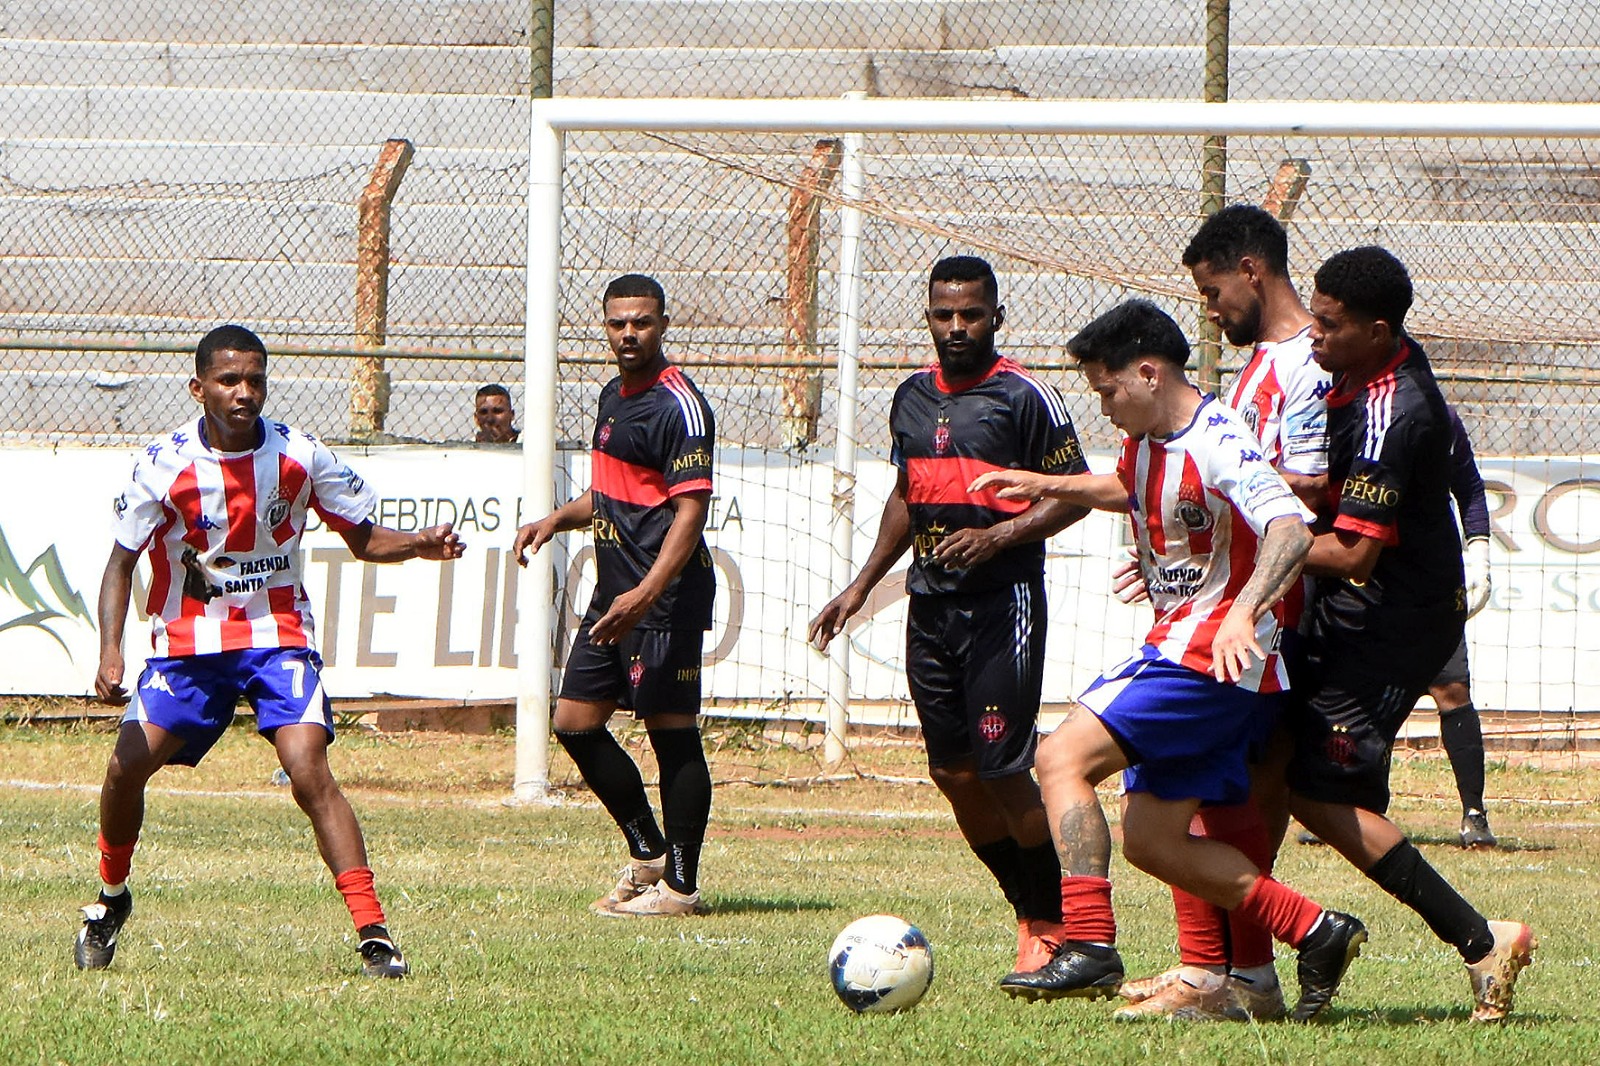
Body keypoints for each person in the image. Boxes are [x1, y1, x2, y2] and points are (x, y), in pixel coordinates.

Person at [970, 300, 1366, 1023]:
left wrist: (1242, 610)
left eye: (1108, 390)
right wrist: (1046, 484)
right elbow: (1124, 487)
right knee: (1155, 841)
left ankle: (1089, 941)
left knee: (1059, 758)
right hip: (1193, 649)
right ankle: (1310, 935)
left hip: (1206, 655)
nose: (1104, 406)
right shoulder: (1151, 436)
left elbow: (1288, 528)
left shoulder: (1219, 439)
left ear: (1149, 374)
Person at [80, 324, 464, 978]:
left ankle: (374, 933)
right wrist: (109, 652)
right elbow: (120, 564)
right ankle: (111, 898)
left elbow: (364, 538)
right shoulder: (163, 464)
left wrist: (417, 545)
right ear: (199, 388)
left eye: (255, 380)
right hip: (188, 645)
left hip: (276, 634)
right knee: (125, 767)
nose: (244, 392)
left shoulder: (300, 455)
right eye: (229, 380)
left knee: (307, 767)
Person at [808, 255, 1093, 989]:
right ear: (928, 317)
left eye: (971, 314)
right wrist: (860, 586)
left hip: (1004, 604)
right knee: (952, 772)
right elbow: (907, 494)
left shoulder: (1025, 395)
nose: (957, 326)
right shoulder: (910, 396)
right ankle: (1029, 909)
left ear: (997, 316)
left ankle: (1052, 926)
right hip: (931, 606)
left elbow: (1074, 493)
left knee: (1004, 770)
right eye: (944, 314)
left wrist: (1000, 537)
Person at [1286, 246, 1533, 1022]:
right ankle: (1235, 964)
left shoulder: (1396, 412)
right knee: (1274, 762)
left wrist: (1250, 534)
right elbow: (1343, 492)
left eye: (1329, 325)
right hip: (1368, 611)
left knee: (1319, 795)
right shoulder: (1372, 368)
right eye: (1314, 318)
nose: (1314, 335)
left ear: (1377, 331)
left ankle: (1480, 938)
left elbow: (1352, 554)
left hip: (1391, 625)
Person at [1114, 204, 1334, 1020]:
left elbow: (1308, 486)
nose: (1208, 312)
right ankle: (1225, 974)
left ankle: (1229, 972)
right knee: (1213, 794)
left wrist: (1214, 490)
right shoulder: (1255, 370)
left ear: (1250, 270)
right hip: (1231, 601)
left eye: (1212, 292)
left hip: (1270, 611)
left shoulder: (1304, 364)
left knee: (1204, 790)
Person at [514, 273, 717, 918]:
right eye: (618, 323)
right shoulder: (612, 395)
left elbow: (690, 514)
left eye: (642, 322)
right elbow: (610, 492)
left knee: (671, 733)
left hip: (663, 596)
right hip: (615, 593)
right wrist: (555, 519)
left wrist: (647, 594)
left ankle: (680, 887)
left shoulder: (681, 405)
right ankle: (649, 851)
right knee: (573, 722)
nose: (629, 333)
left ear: (663, 325)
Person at [1430, 404, 1497, 848]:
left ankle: (1474, 812)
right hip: (1369, 575)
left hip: (1433, 576)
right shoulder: (1352, 410)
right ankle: (1353, 806)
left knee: (1452, 688)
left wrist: (1480, 556)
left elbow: (1469, 487)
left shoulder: (1442, 418)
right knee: (1363, 694)